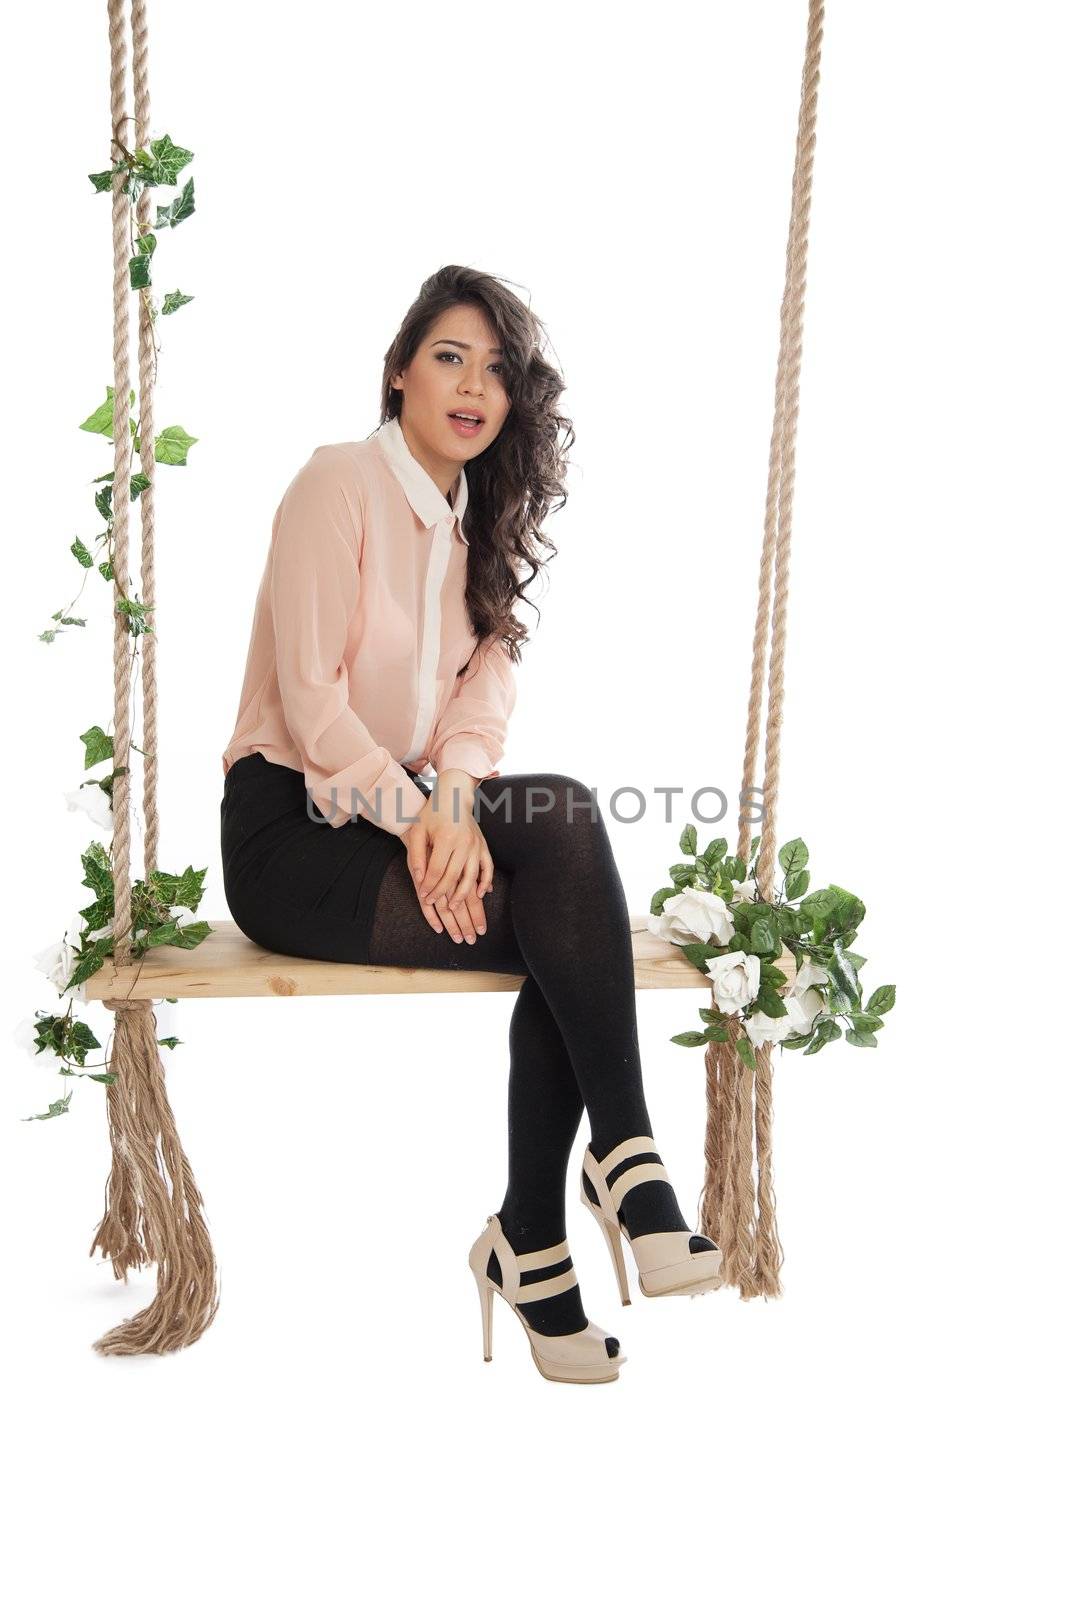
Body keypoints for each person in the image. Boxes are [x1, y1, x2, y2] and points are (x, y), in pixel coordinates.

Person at [220, 264, 722, 1385]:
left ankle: (547, 1231)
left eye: (496, 369)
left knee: (561, 830)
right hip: (292, 831)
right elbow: (311, 702)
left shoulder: (477, 522)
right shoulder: (336, 483)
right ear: (399, 372)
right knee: (568, 910)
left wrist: (450, 800)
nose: (472, 385)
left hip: (401, 810)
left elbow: (479, 706)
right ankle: (591, 1204)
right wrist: (423, 824)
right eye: (449, 356)